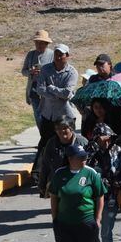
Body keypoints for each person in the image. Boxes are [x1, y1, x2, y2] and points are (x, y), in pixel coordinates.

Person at [48, 144, 103, 242]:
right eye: (81, 157)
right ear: (71, 159)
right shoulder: (60, 174)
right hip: (64, 223)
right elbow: (54, 196)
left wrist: (97, 219)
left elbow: (100, 196)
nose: (85, 159)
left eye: (85, 156)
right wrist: (55, 218)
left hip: (86, 221)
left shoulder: (90, 173)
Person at [34, 45, 81, 174]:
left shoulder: (72, 72)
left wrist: (51, 88)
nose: (58, 57)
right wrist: (56, 94)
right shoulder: (46, 69)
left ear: (67, 56)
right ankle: (37, 173)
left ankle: (68, 170)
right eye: (56, 54)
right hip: (48, 114)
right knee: (44, 144)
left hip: (65, 116)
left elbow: (67, 93)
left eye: (61, 55)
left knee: (67, 144)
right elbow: (40, 88)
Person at [23, 31, 55, 128]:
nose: (39, 45)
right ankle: (43, 137)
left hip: (47, 88)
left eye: (41, 43)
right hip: (33, 88)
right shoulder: (31, 55)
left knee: (47, 115)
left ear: (46, 44)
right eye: (37, 42)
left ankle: (47, 137)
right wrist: (30, 72)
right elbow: (23, 71)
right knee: (38, 115)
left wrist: (44, 73)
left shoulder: (52, 55)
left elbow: (55, 71)